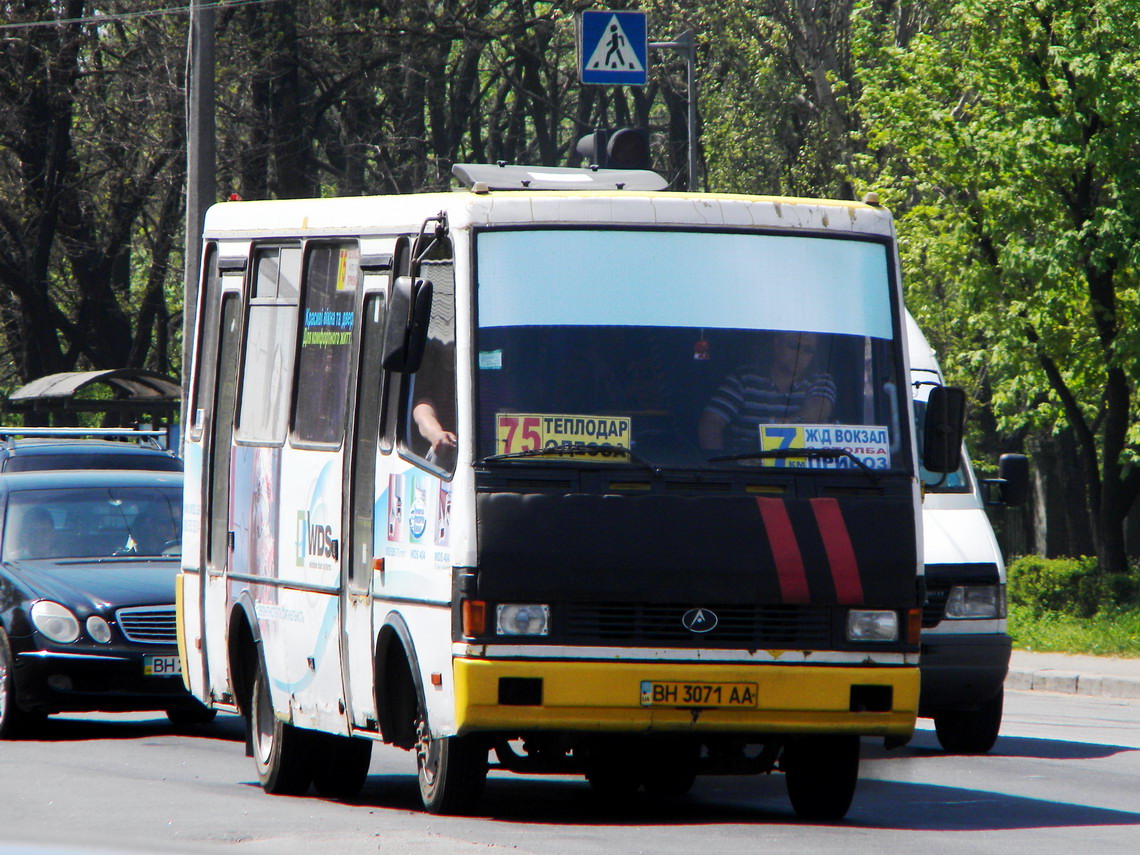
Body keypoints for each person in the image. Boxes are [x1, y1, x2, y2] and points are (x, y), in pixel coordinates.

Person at [698, 331, 836, 452]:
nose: (800, 354)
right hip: (747, 471)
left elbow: (820, 407)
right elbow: (711, 423)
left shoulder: (820, 379)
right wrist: (720, 466)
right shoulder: (744, 378)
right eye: (794, 346)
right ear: (777, 344)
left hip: (801, 473)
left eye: (808, 350)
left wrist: (789, 423)